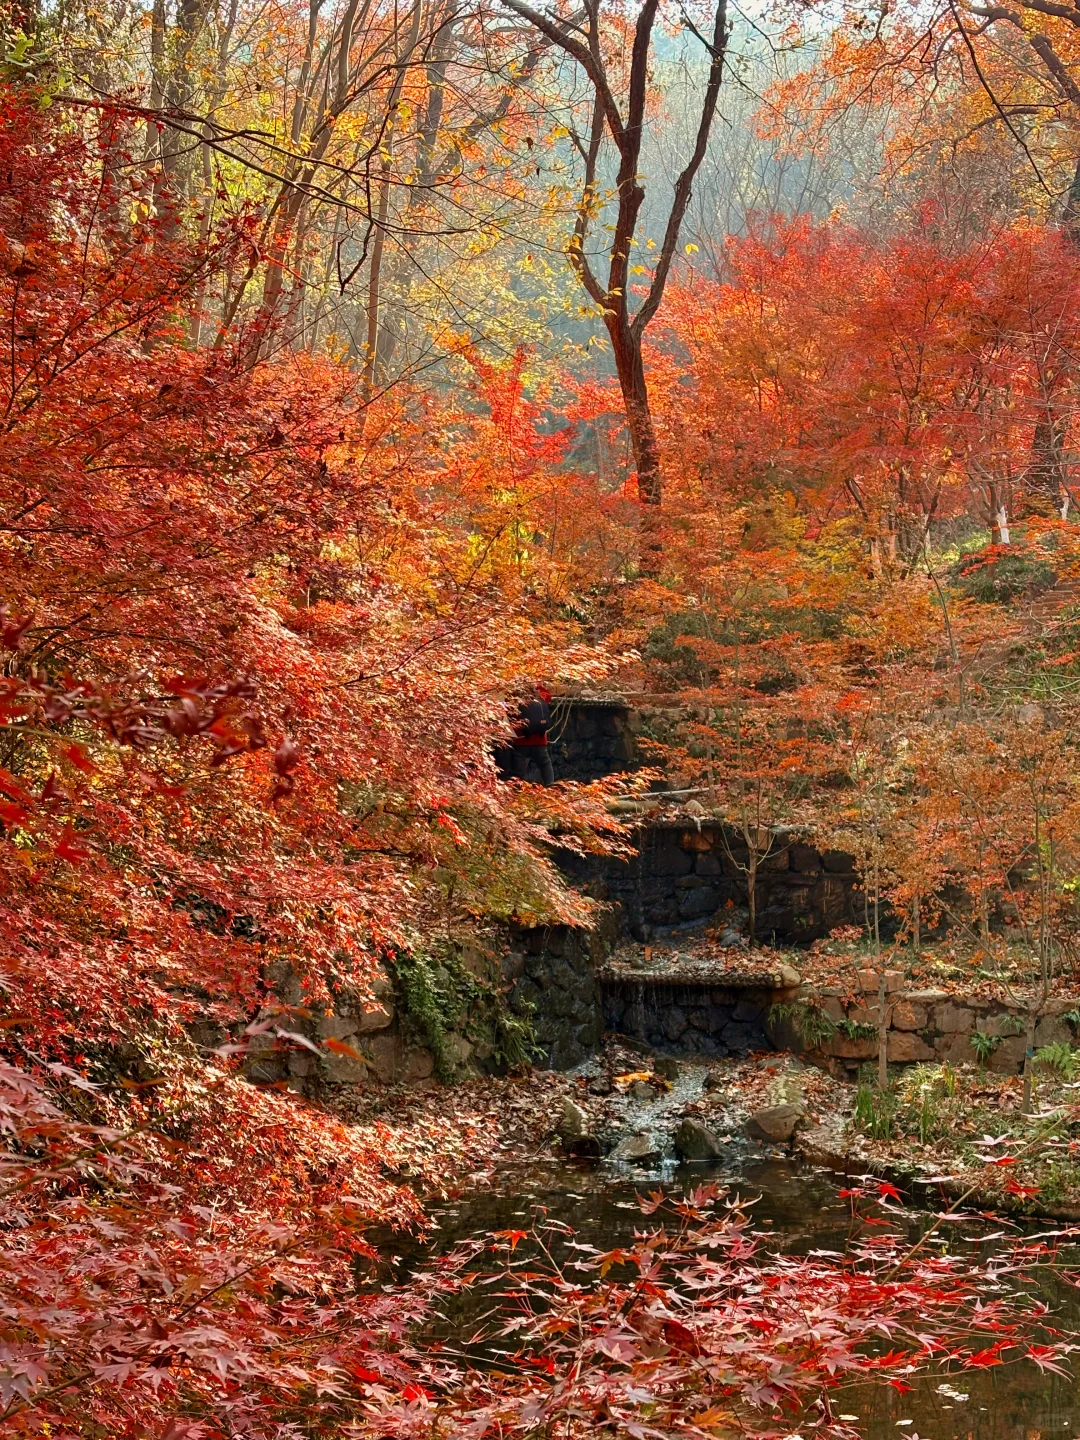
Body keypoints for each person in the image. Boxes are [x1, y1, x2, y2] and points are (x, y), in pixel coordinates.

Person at [509, 683, 555, 785]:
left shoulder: (514, 697)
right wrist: (537, 684)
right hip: (540, 739)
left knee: (518, 770)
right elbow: (548, 696)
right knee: (545, 764)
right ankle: (550, 786)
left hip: (521, 739)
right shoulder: (540, 697)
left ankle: (517, 790)